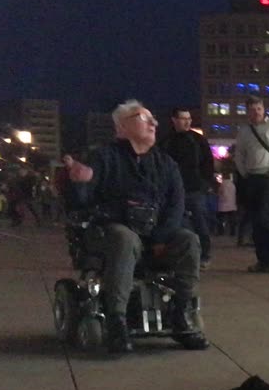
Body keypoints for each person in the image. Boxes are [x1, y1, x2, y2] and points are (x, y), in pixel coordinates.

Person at [62, 100, 208, 354]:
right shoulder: (103, 158)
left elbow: (176, 205)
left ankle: (180, 314)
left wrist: (162, 237)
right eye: (144, 118)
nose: (154, 123)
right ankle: (117, 320)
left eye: (153, 118)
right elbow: (80, 204)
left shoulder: (165, 163)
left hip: (155, 235)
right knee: (123, 237)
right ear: (121, 126)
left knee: (188, 240)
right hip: (112, 233)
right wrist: (79, 183)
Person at [231, 94, 269, 273]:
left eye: (258, 109)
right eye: (252, 110)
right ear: (247, 112)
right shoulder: (244, 131)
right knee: (255, 219)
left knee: (265, 217)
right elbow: (239, 153)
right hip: (252, 177)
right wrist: (243, 172)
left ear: (263, 109)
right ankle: (261, 259)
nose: (256, 112)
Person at [161, 108, 216, 269]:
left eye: (189, 119)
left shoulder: (198, 140)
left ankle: (204, 255)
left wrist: (204, 183)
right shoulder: (167, 141)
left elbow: (208, 163)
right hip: (174, 190)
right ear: (174, 120)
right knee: (176, 223)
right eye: (183, 118)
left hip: (195, 188)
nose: (187, 122)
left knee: (200, 222)